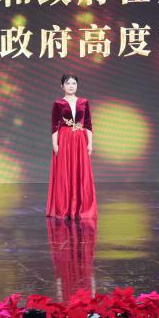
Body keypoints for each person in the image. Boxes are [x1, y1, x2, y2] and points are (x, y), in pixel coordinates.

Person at [46, 74, 98, 219]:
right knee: (64, 171)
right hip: (64, 139)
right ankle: (64, 207)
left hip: (80, 139)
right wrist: (55, 143)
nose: (71, 86)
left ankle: (81, 208)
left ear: (77, 86)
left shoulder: (84, 102)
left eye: (74, 83)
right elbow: (55, 125)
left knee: (81, 171)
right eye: (68, 83)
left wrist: (90, 142)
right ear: (62, 86)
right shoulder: (58, 103)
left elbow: (88, 123)